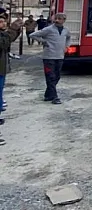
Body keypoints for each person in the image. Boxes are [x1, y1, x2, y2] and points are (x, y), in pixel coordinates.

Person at [28, 13, 71, 105]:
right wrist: (44, 41)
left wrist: (67, 46)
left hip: (60, 56)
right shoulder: (49, 29)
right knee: (50, 76)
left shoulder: (66, 30)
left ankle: (48, 95)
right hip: (49, 57)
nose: (57, 20)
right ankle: (55, 97)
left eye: (60, 19)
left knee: (57, 76)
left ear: (64, 20)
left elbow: (68, 38)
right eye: (56, 18)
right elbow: (32, 35)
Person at [0, 15, 23, 144]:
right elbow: (3, 43)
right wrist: (12, 29)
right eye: (1, 22)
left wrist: (16, 30)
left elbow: (8, 40)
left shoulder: (2, 33)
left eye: (4, 21)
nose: (4, 23)